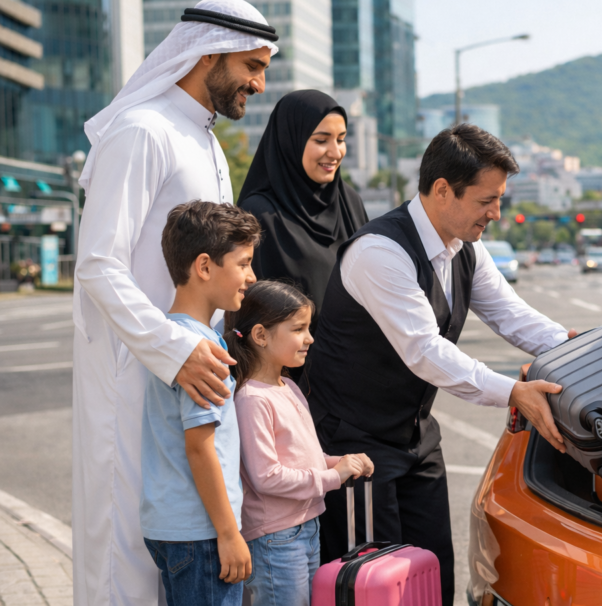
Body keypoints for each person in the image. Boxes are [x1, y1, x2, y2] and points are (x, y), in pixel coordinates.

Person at [305, 124, 577, 606]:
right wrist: (513, 392)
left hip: (415, 439)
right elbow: (424, 351)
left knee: (433, 577)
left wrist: (578, 349)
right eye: (485, 201)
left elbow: (513, 316)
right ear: (442, 190)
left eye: (500, 199)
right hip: (355, 444)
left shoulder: (464, 248)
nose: (496, 213)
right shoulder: (379, 252)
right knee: (374, 588)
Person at [73, 0, 278, 606]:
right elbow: (98, 262)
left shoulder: (208, 143)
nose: (259, 83)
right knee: (126, 558)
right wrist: (174, 348)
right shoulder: (141, 132)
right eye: (252, 65)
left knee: (187, 549)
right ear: (207, 53)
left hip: (188, 374)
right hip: (133, 375)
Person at [140, 200, 260, 606]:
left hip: (173, 527)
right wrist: (228, 533)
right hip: (203, 533)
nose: (251, 276)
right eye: (243, 263)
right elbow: (200, 445)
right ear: (205, 267)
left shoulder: (170, 338)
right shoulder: (201, 349)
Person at [227, 280, 373, 606]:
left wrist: (339, 462)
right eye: (298, 329)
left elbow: (305, 456)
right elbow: (266, 476)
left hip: (305, 527)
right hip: (276, 538)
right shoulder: (252, 399)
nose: (310, 338)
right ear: (261, 335)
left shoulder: (288, 386)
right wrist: (333, 477)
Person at [237, 91, 368, 340]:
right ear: (290, 141)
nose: (335, 152)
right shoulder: (260, 215)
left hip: (357, 365)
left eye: (340, 139)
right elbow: (251, 311)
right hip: (293, 372)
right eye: (321, 140)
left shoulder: (349, 201)